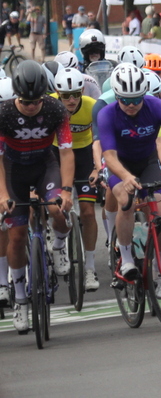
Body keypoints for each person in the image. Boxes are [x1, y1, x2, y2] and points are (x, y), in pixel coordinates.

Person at [0, 61, 74, 332]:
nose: (31, 106)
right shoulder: (3, 113)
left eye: (36, 101)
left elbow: (65, 151)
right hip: (13, 170)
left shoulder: (56, 109)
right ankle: (20, 299)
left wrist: (67, 190)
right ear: (16, 96)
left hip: (45, 165)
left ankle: (59, 246)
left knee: (57, 209)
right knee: (17, 236)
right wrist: (2, 194)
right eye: (26, 101)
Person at [98, 64, 161, 292]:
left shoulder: (157, 106)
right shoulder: (106, 114)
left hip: (147, 161)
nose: (131, 105)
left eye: (136, 99)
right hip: (119, 164)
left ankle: (160, 267)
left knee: (160, 212)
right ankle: (126, 259)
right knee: (126, 201)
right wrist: (126, 177)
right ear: (116, 96)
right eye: (125, 100)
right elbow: (109, 156)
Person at [52, 68, 100, 291]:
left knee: (88, 212)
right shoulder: (49, 105)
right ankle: (58, 243)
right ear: (57, 93)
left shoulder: (92, 106)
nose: (71, 100)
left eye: (75, 94)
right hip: (56, 155)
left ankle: (90, 267)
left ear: (82, 91)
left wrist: (98, 168)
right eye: (65, 96)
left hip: (84, 156)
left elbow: (101, 139)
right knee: (56, 208)